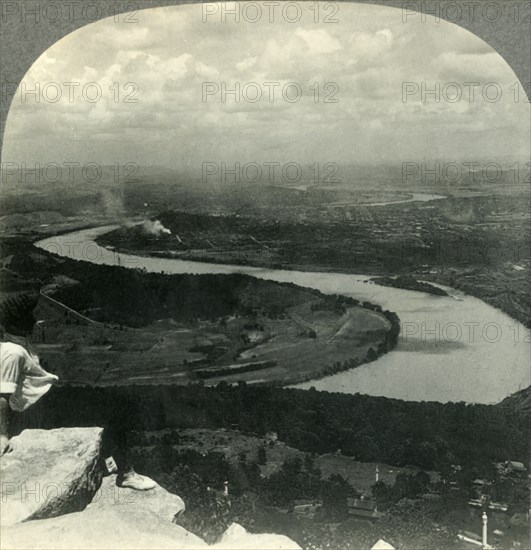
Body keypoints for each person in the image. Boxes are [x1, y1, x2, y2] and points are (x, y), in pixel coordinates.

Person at [0, 293, 155, 491]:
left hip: (49, 400)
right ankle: (126, 473)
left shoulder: (19, 343)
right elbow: (2, 395)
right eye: (29, 315)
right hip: (43, 409)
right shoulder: (12, 352)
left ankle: (109, 462)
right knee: (114, 409)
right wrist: (3, 436)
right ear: (17, 321)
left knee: (107, 404)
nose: (35, 320)